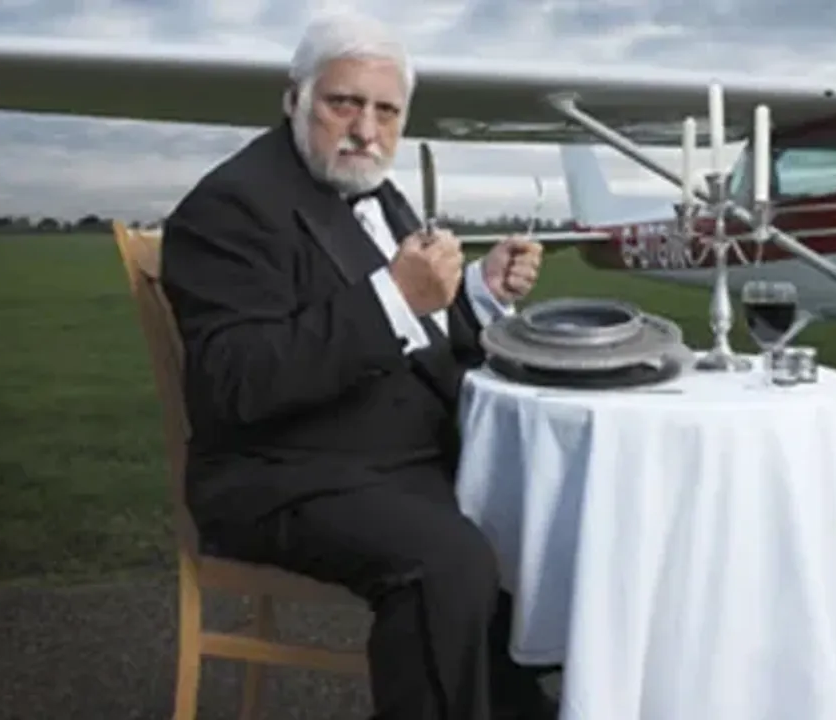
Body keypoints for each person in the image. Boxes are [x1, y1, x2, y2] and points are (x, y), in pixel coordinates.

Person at [159, 11, 553, 720]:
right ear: (295, 100)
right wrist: (395, 295)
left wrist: (478, 294)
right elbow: (233, 383)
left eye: (386, 111)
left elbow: (418, 332)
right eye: (344, 103)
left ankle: (513, 701)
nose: (366, 130)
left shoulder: (375, 191)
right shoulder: (229, 207)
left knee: (544, 513)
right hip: (280, 476)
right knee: (446, 559)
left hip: (390, 460)